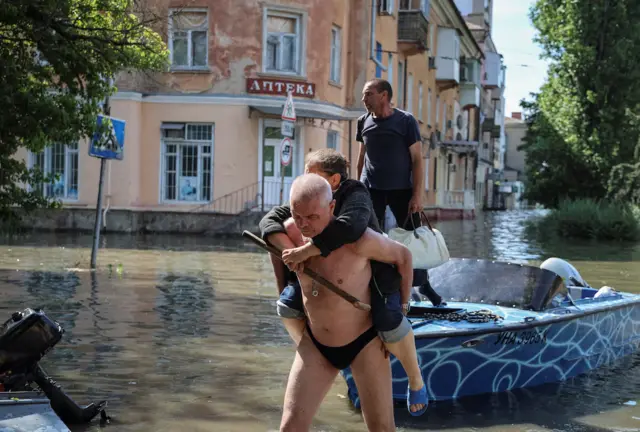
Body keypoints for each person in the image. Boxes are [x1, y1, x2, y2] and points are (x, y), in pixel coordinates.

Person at [260, 149, 428, 415]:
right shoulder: (305, 204)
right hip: (319, 338)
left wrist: (306, 250)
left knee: (389, 321)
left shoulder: (356, 194)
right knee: (286, 305)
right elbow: (269, 222)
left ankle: (415, 377)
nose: (306, 179)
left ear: (334, 181)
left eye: (312, 174)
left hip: (375, 277)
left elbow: (351, 227)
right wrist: (287, 252)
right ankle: (313, 346)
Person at [356, 78, 443, 305]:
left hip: (402, 191)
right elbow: (360, 159)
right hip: (372, 190)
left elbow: (417, 160)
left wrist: (417, 195)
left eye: (368, 94)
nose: (363, 99)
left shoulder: (405, 121)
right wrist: (357, 189)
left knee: (414, 238)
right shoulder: (363, 121)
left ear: (384, 95)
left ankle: (424, 286)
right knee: (368, 238)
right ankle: (375, 287)